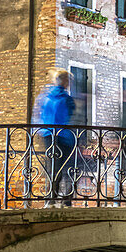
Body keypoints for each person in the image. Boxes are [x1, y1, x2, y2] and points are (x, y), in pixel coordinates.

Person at [37, 70, 76, 205]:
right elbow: (71, 117)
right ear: (65, 82)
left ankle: (51, 199)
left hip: (48, 135)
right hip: (64, 137)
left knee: (53, 167)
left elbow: (40, 116)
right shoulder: (66, 99)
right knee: (68, 168)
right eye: (69, 81)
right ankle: (67, 201)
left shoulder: (45, 97)